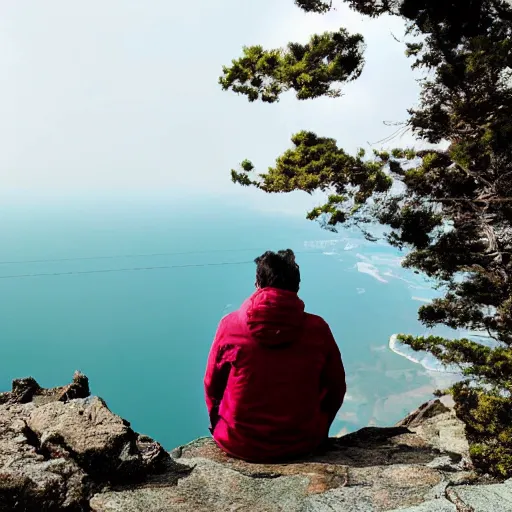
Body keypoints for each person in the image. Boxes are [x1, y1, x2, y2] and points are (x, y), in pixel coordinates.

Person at [204, 249, 346, 462]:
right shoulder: (318, 329)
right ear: (297, 288)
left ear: (257, 284)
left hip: (238, 442)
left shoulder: (230, 325)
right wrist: (319, 426)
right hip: (302, 442)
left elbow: (212, 385)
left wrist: (219, 424)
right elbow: (335, 387)